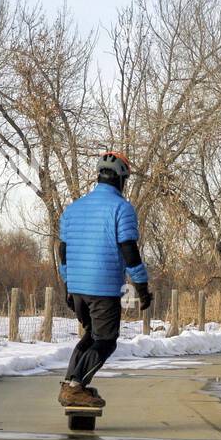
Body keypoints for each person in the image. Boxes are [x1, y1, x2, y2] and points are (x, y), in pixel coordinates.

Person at [56, 151, 152, 408]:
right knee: (106, 341)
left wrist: (68, 285)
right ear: (121, 179)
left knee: (92, 335)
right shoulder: (122, 208)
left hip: (77, 289)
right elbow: (129, 250)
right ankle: (76, 387)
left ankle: (71, 382)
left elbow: (63, 253)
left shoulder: (72, 209)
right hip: (104, 288)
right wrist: (142, 286)